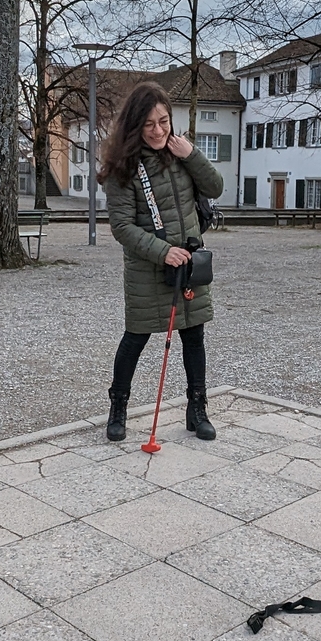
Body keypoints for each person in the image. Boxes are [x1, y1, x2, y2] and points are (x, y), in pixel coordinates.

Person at [99, 82, 224, 442]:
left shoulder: (180, 154)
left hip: (189, 265)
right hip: (147, 268)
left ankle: (197, 410)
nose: (158, 131)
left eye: (164, 121)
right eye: (150, 124)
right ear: (135, 125)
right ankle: (118, 408)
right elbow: (121, 226)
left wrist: (192, 154)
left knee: (194, 336)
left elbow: (214, 187)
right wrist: (161, 251)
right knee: (135, 338)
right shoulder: (123, 168)